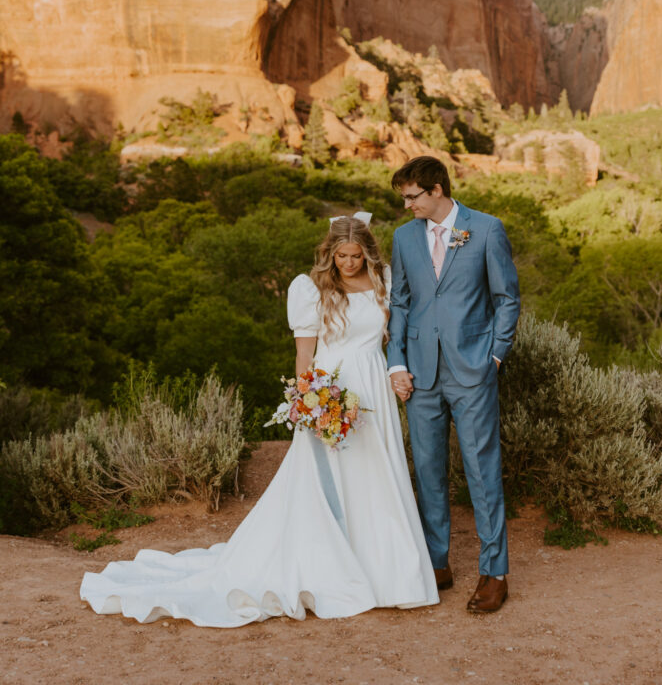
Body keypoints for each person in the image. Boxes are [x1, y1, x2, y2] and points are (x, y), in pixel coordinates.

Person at [80, 214, 438, 627]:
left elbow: (400, 332)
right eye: (341, 255)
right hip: (332, 385)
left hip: (373, 382)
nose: (348, 263)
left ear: (368, 252)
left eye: (356, 255)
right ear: (330, 253)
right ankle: (333, 561)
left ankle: (386, 571)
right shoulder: (311, 288)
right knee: (332, 475)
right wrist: (310, 398)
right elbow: (305, 353)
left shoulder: (385, 282)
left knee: (377, 472)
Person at [387, 156, 520, 613]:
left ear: (437, 189)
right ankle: (436, 562)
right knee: (427, 470)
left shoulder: (485, 229)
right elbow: (400, 304)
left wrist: (494, 356)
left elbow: (507, 299)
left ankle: (494, 571)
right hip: (420, 375)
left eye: (412, 196)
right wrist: (396, 363)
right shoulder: (404, 238)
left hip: (472, 371)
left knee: (482, 471)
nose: (406, 206)